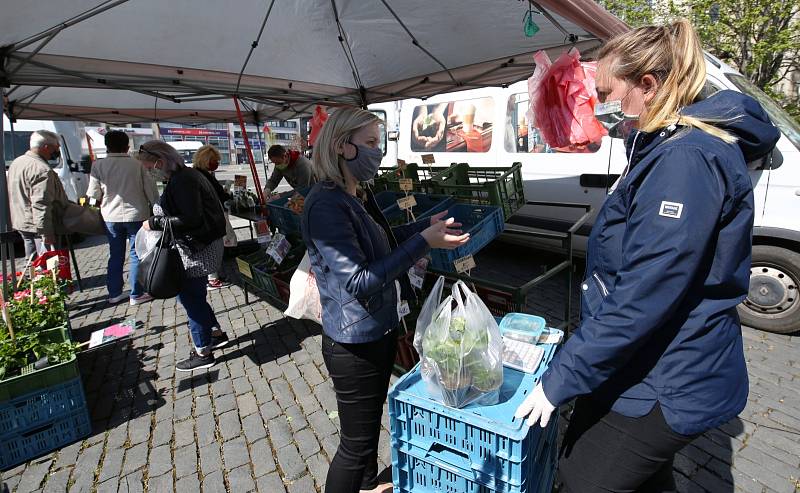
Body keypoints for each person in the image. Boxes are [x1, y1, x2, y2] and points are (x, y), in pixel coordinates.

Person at [514, 19, 780, 492]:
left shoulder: (686, 159)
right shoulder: (669, 147)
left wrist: (560, 380)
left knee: (583, 480)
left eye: (611, 93)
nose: (608, 107)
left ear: (649, 85)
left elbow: (645, 291)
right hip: (642, 362)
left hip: (668, 377)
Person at [301, 107, 469, 493]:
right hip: (353, 345)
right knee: (355, 447)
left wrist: (421, 229)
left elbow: (381, 243)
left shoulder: (352, 194)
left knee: (365, 439)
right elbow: (359, 280)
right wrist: (423, 243)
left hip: (375, 331)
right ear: (343, 147)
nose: (379, 153)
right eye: (372, 144)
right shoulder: (326, 204)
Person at [137, 141, 231, 371]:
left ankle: (203, 351)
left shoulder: (184, 180)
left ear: (160, 160)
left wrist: (154, 222)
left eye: (150, 166)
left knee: (190, 299)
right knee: (192, 297)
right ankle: (216, 333)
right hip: (200, 245)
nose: (149, 171)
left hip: (199, 249)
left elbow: (191, 219)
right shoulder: (184, 177)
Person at [86, 130, 159, 305]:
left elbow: (93, 195)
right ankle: (136, 294)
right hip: (136, 214)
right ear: (127, 146)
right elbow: (152, 191)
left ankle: (114, 293)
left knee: (115, 254)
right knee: (136, 253)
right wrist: (156, 208)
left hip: (110, 216)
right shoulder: (137, 165)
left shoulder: (98, 165)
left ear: (106, 146)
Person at [7, 130, 68, 259]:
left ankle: (34, 276)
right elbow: (41, 203)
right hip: (38, 226)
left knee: (32, 260)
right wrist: (46, 232)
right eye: (56, 148)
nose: (57, 151)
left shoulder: (17, 162)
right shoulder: (41, 169)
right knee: (46, 262)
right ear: (46, 147)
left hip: (23, 220)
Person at [192, 145, 232, 290]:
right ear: (206, 160)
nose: (217, 164)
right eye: (215, 161)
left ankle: (212, 277)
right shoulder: (203, 175)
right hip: (208, 219)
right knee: (211, 248)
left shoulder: (198, 173)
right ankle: (213, 279)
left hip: (205, 218)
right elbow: (219, 195)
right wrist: (228, 194)